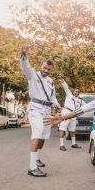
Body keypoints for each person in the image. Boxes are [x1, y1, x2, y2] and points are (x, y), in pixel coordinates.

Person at [20, 44, 61, 177]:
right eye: (44, 68)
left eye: (49, 69)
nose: (46, 71)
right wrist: (24, 54)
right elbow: (25, 66)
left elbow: (53, 96)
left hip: (47, 110)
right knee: (37, 133)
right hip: (35, 109)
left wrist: (57, 105)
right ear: (40, 67)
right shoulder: (33, 75)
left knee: (43, 137)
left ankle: (36, 159)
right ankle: (32, 168)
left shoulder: (51, 81)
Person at [58, 77, 82, 151]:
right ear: (73, 92)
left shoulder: (80, 100)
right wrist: (62, 80)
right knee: (63, 129)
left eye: (78, 92)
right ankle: (61, 145)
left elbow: (88, 105)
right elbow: (65, 87)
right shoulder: (69, 95)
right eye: (75, 91)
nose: (77, 92)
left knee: (72, 131)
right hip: (66, 112)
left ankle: (73, 144)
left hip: (73, 115)